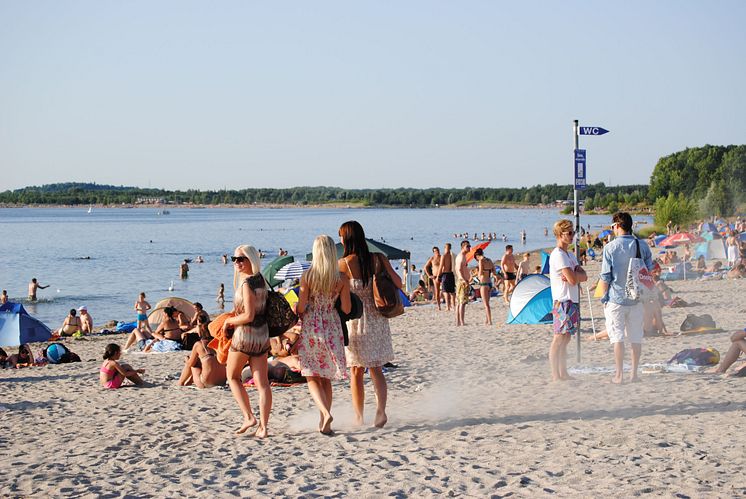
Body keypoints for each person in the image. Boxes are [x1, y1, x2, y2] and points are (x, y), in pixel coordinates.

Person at [338, 220, 401, 428]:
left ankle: (358, 417)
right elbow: (399, 283)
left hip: (356, 322)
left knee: (356, 370)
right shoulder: (379, 259)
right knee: (376, 369)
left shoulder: (344, 264)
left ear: (346, 239)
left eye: (341, 236)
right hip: (378, 320)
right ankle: (381, 412)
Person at [296, 235, 351, 435]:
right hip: (332, 325)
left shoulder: (308, 276)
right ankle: (324, 419)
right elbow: (346, 308)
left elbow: (301, 307)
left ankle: (325, 414)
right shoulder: (342, 278)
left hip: (312, 326)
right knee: (326, 375)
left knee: (311, 374)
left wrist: (299, 306)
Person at [597, 212, 653, 384]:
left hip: (616, 298)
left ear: (617, 226)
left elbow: (606, 277)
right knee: (636, 337)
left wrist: (602, 298)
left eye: (612, 226)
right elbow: (648, 272)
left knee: (617, 337)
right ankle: (634, 374)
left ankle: (619, 375)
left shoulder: (610, 248)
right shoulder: (642, 246)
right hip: (636, 299)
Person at [223, 245, 272, 438]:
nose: (237, 262)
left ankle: (249, 417)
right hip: (262, 334)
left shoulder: (246, 283)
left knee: (233, 376)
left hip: (245, 335)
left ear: (251, 260)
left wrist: (228, 320)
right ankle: (264, 427)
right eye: (235, 259)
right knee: (263, 383)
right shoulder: (261, 280)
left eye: (241, 259)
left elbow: (248, 315)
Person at [548, 220, 587, 381]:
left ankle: (563, 372)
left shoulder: (570, 255)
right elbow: (572, 279)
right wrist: (575, 276)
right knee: (559, 337)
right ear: (559, 235)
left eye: (573, 233)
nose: (572, 236)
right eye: (569, 233)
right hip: (563, 300)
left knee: (566, 337)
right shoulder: (558, 255)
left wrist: (575, 276)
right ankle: (555, 374)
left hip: (572, 299)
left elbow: (583, 275)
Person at [474, 247, 494, 325]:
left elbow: (480, 274)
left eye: (476, 258)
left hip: (483, 284)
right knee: (487, 303)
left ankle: (489, 321)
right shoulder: (489, 260)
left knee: (486, 304)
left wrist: (476, 275)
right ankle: (487, 320)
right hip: (489, 283)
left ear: (477, 256)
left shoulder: (481, 261)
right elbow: (494, 271)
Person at [454, 240, 471, 326]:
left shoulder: (464, 256)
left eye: (469, 246)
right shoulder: (460, 257)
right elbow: (459, 270)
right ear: (463, 247)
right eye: (467, 246)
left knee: (461, 302)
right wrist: (464, 280)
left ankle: (459, 321)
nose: (469, 248)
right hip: (462, 282)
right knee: (461, 302)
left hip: (463, 280)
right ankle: (461, 321)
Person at [439, 243, 456, 311]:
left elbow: (441, 266)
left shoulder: (444, 256)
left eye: (448, 248)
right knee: (451, 291)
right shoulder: (452, 255)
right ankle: (453, 305)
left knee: (445, 291)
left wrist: (438, 276)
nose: (447, 249)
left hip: (446, 274)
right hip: (451, 274)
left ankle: (448, 306)